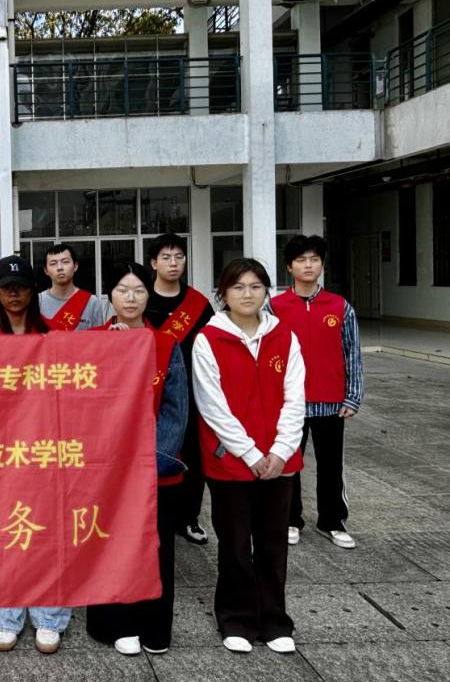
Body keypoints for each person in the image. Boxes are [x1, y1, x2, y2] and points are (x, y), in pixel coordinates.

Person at [192, 258, 305, 655]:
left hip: (280, 462)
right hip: (230, 462)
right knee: (236, 545)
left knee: (273, 545)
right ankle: (236, 619)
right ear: (223, 293)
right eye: (238, 287)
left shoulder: (284, 337)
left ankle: (274, 620)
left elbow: (295, 398)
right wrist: (250, 453)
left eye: (256, 286)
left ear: (266, 292)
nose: (247, 294)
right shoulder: (209, 339)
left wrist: (280, 450)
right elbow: (212, 405)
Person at [86, 263, 188, 656]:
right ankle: (116, 624)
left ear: (149, 296)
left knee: (155, 549)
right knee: (110, 546)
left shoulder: (166, 344)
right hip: (107, 471)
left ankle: (154, 627)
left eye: (139, 291)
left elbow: (176, 412)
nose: (131, 298)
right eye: (122, 290)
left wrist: (149, 462)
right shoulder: (91, 342)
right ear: (109, 296)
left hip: (153, 470)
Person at [0, 255, 70, 653]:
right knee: (3, 531)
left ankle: (49, 615)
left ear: (33, 291)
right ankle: (5, 613)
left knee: (46, 531)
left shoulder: (55, 336)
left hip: (44, 447)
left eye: (20, 287)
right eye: (6, 288)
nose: (14, 294)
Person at [271, 235, 363, 549]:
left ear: (322, 264)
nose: (308, 266)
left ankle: (332, 521)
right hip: (288, 402)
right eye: (301, 260)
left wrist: (353, 396)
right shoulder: (274, 307)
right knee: (288, 463)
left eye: (314, 259)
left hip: (330, 402)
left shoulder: (340, 306)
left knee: (331, 465)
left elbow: (352, 353)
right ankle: (289, 519)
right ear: (289, 267)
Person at [143, 233, 215, 547]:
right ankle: (153, 516)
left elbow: (210, 348)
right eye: (166, 257)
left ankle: (189, 518)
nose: (173, 263)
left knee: (192, 455)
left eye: (179, 257)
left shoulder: (199, 305)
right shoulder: (141, 298)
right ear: (153, 263)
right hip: (147, 393)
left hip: (189, 392)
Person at [38, 243, 106, 331]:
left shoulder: (92, 302)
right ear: (46, 270)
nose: (59, 267)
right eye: (53, 263)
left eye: (65, 262)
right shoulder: (37, 302)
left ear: (75, 266)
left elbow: (99, 337)